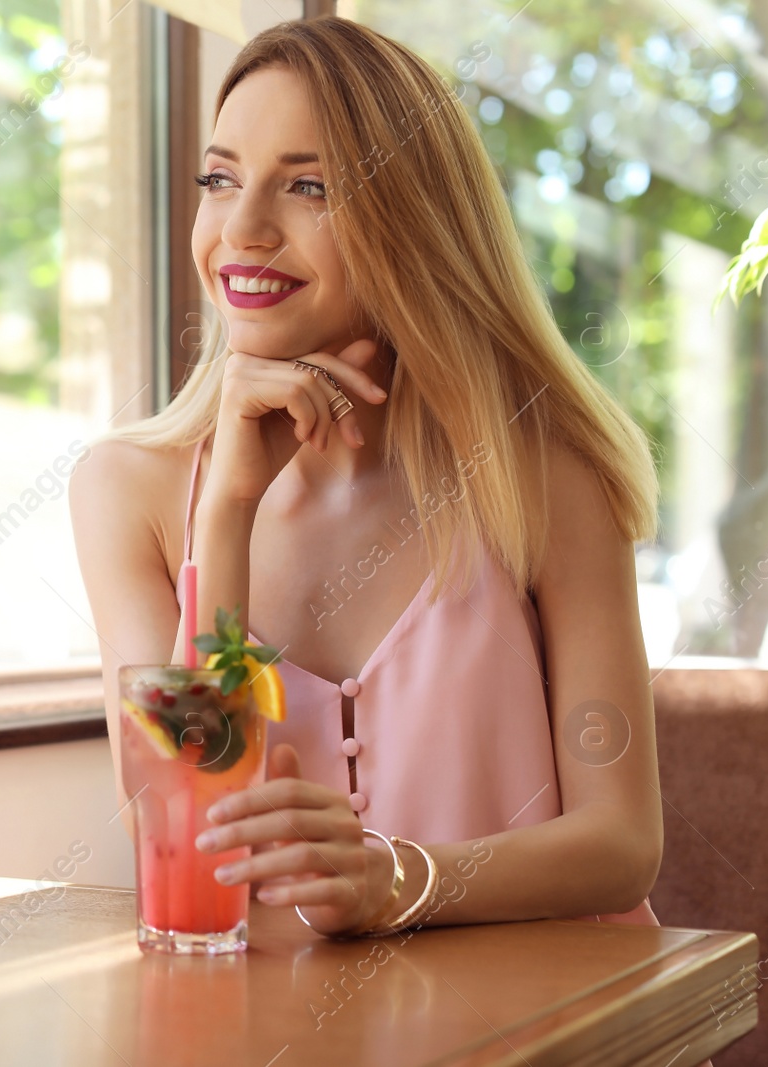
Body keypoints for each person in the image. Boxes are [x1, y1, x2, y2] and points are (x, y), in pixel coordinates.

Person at [68, 16, 663, 939]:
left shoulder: (543, 477)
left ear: (412, 221)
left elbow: (623, 841)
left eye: (309, 187)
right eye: (220, 179)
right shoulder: (128, 490)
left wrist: (402, 879)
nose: (244, 229)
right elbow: (176, 832)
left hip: (562, 1021)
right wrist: (224, 516)